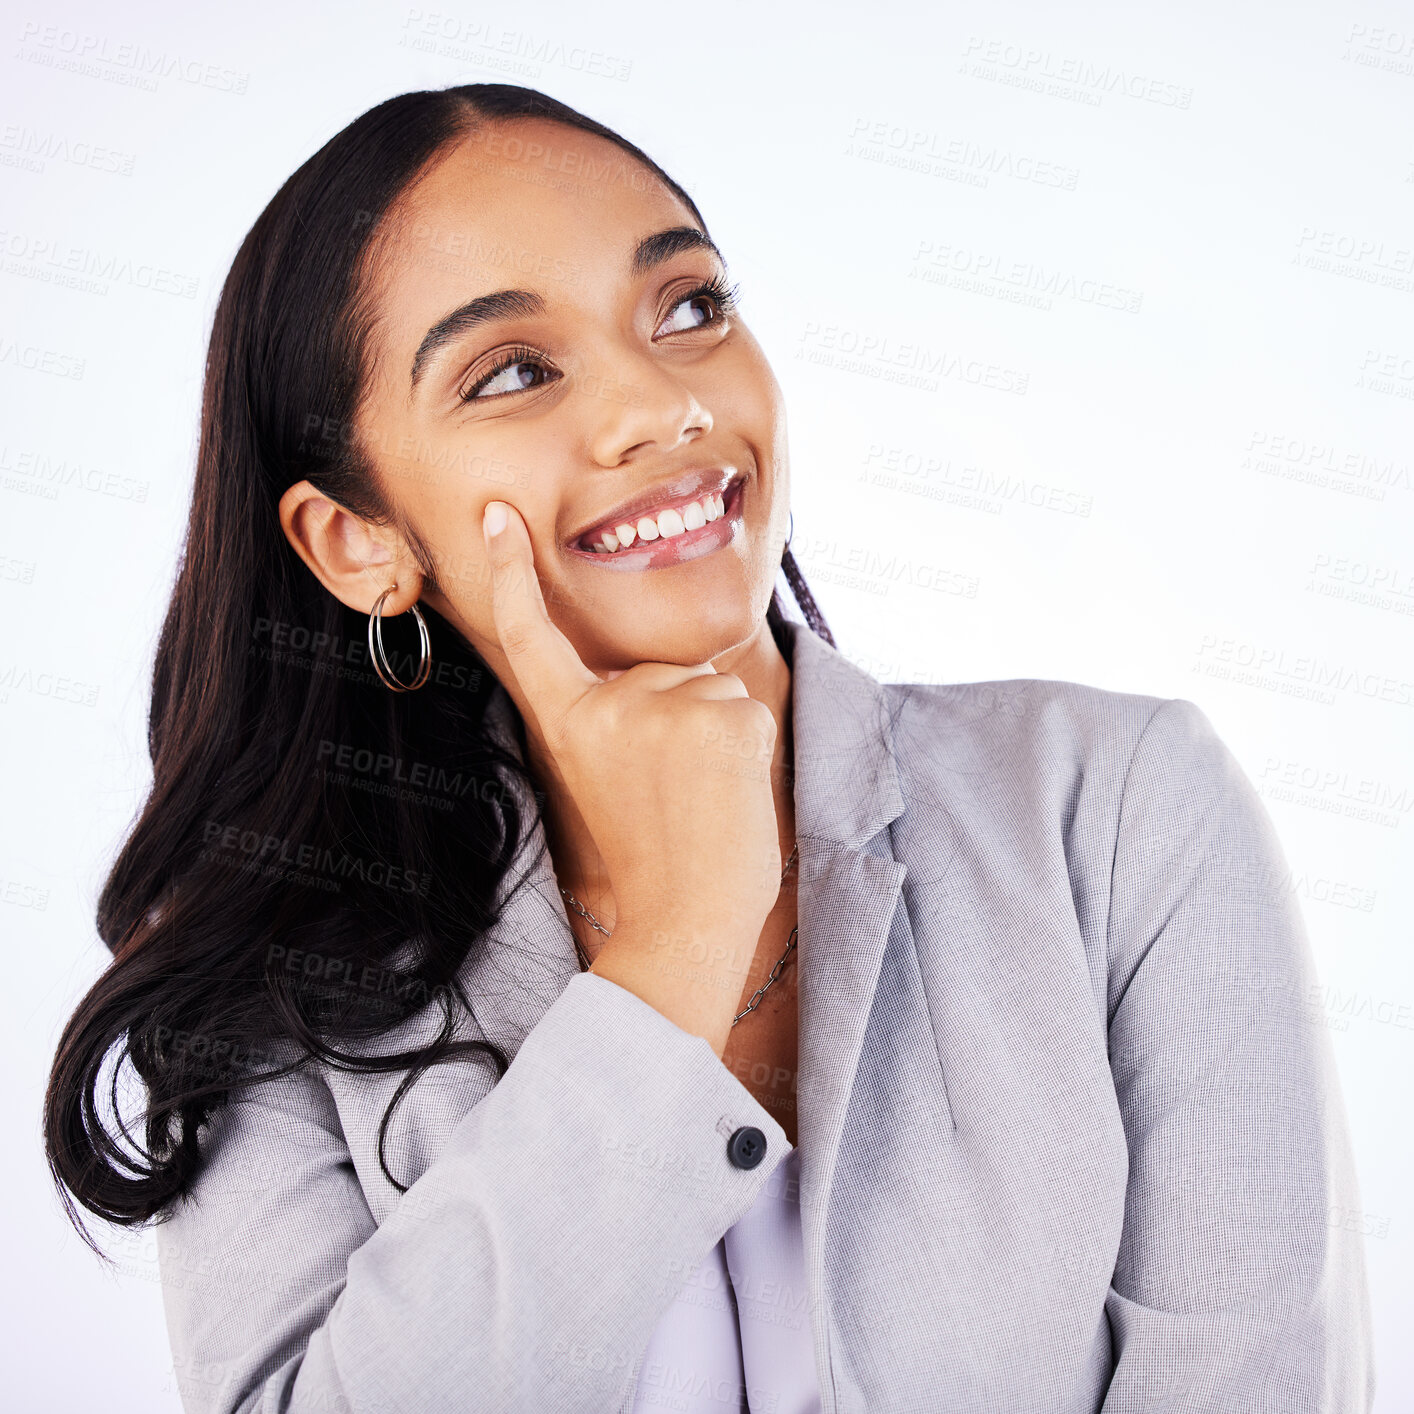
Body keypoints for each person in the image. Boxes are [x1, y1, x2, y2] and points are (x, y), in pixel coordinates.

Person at [44, 83, 1375, 1413]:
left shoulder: (1119, 804)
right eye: (514, 370)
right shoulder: (266, 993)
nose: (658, 405)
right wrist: (672, 952)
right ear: (360, 541)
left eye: (686, 306)